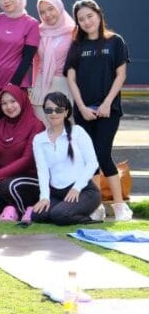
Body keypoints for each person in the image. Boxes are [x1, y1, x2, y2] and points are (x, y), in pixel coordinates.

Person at [65, 0, 132, 222]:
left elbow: (120, 75)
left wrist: (106, 104)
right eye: (81, 19)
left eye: (89, 16)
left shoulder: (115, 41)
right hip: (84, 112)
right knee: (87, 158)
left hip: (108, 111)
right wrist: (81, 107)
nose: (86, 22)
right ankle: (96, 206)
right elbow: (71, 79)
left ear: (99, 15)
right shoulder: (76, 45)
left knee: (102, 154)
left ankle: (120, 205)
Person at [31, 92, 104, 226]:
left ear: (66, 112)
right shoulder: (39, 139)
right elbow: (43, 171)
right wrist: (45, 197)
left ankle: (92, 215)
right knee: (37, 215)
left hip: (83, 191)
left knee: (60, 216)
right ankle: (67, 210)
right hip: (57, 193)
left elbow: (92, 163)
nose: (53, 113)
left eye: (58, 109)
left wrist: (76, 188)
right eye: (49, 110)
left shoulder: (78, 132)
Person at [0, 84, 43, 220]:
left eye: (13, 101)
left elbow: (27, 159)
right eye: (4, 103)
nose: (9, 107)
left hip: (28, 177)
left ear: (21, 100)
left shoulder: (36, 125)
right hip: (1, 177)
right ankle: (9, 209)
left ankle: (24, 211)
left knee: (8, 186)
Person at [32, 0, 75, 121]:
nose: (47, 15)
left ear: (59, 7)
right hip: (42, 87)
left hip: (65, 86)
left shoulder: (74, 32)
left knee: (67, 133)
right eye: (43, 12)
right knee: (43, 131)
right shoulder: (38, 32)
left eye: (51, 9)